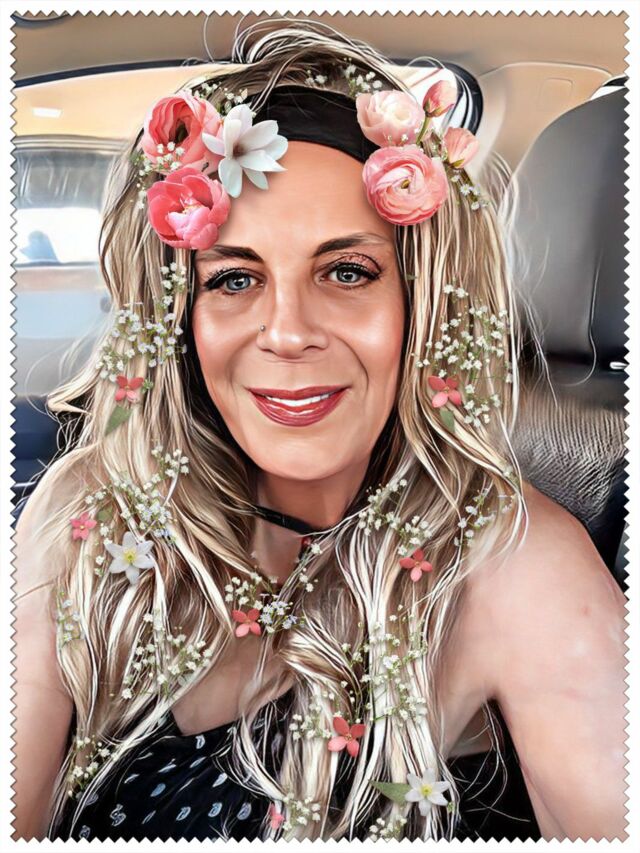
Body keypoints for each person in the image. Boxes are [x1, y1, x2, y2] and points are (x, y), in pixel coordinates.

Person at [13, 19, 626, 844]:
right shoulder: (88, 512)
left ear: (418, 302)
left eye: (347, 271)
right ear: (182, 319)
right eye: (234, 279)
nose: (288, 332)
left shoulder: (516, 568)